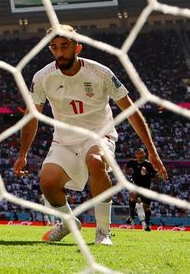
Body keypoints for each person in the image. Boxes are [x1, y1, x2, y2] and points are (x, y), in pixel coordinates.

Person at [13, 24, 167, 245]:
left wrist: (151, 151)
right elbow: (32, 116)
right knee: (47, 182)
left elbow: (131, 112)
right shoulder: (42, 77)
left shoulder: (100, 73)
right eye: (54, 47)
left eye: (64, 46)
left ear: (78, 48)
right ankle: (68, 222)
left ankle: (103, 232)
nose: (59, 52)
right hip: (64, 140)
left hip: (99, 135)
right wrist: (23, 153)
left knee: (95, 161)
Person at [123, 147, 158, 231]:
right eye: (138, 153)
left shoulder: (148, 164)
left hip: (146, 188)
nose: (139, 155)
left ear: (144, 154)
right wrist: (127, 171)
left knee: (146, 207)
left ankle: (148, 223)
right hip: (136, 186)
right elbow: (125, 169)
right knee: (132, 196)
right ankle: (131, 216)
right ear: (135, 154)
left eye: (141, 153)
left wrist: (147, 173)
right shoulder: (132, 162)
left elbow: (155, 176)